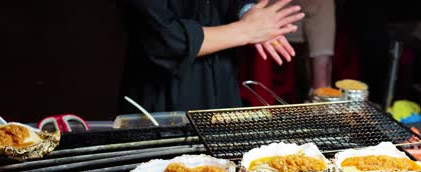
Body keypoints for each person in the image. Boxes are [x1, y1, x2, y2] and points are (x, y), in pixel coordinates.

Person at [119, 0, 305, 113]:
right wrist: (246, 30)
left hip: (223, 84)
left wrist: (248, 12)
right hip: (162, 96)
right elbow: (164, 40)